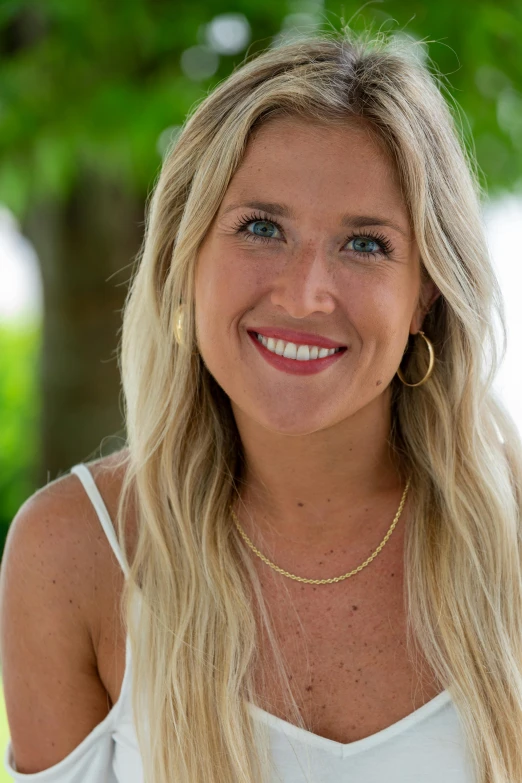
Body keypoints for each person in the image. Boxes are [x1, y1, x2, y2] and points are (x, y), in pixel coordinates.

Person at [1, 29, 522, 783]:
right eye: (262, 228)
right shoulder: (76, 554)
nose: (306, 293)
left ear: (427, 294)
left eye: (366, 245)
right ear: (186, 257)